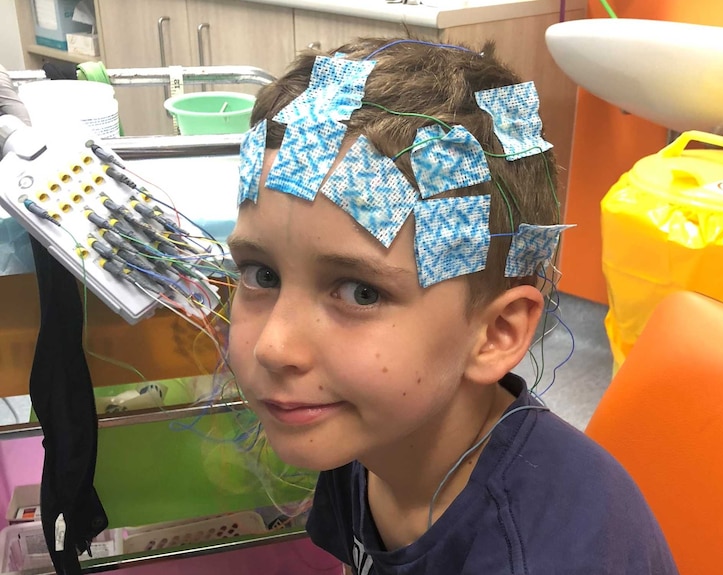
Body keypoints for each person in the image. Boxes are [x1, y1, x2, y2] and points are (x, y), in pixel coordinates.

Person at [227, 37, 678, 574]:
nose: (275, 347)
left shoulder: (537, 556)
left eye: (360, 292)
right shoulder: (365, 427)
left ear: (496, 334)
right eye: (263, 275)